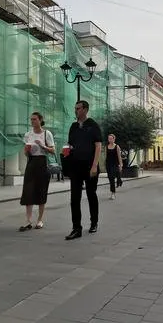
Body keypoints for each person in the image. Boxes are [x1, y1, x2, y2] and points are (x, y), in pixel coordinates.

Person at [65, 100, 103, 240]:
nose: (76, 111)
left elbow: (98, 146)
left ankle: (94, 222)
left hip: (89, 166)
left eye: (78, 108)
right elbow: (70, 144)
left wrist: (94, 165)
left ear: (85, 110)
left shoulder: (93, 125)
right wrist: (67, 150)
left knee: (91, 194)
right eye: (75, 108)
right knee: (74, 197)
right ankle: (76, 228)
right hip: (76, 166)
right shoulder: (73, 126)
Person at [19, 112, 55, 232]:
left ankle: (40, 220)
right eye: (31, 119)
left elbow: (53, 151)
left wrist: (43, 146)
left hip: (42, 163)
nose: (32, 121)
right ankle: (28, 221)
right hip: (31, 162)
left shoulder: (46, 133)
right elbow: (26, 154)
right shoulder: (28, 134)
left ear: (40, 120)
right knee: (28, 191)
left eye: (34, 119)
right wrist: (26, 151)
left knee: (41, 191)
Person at [105, 134, 123, 200]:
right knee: (110, 178)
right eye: (109, 139)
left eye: (111, 139)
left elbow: (119, 156)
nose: (110, 140)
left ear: (114, 139)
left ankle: (118, 182)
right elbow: (106, 156)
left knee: (114, 176)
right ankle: (113, 192)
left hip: (115, 164)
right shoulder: (107, 146)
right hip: (108, 164)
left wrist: (121, 165)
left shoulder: (117, 147)